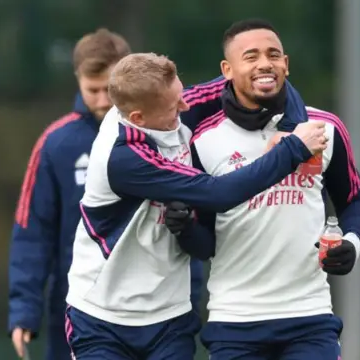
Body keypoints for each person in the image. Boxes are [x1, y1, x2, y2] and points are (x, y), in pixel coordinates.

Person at [64, 52, 328, 360]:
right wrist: (293, 148)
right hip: (102, 317)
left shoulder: (165, 101)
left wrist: (293, 124)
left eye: (180, 93)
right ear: (138, 118)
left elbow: (265, 80)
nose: (186, 106)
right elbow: (218, 193)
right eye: (174, 105)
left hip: (170, 318)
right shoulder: (122, 156)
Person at [163, 19, 360, 360]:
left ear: (285, 64)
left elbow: (353, 202)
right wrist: (183, 227)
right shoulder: (202, 140)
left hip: (310, 317)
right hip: (235, 321)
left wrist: (352, 243)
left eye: (274, 54)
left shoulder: (324, 127)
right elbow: (204, 245)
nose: (264, 63)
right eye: (251, 56)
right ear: (227, 70)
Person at [7, 28, 132, 360]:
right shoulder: (57, 144)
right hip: (76, 309)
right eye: (93, 90)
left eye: (110, 89)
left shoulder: (160, 135)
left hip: (151, 309)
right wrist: (23, 311)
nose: (103, 100)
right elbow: (31, 233)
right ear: (78, 80)